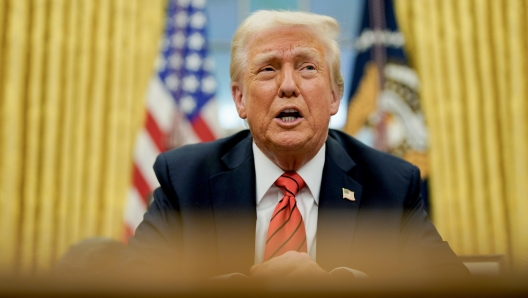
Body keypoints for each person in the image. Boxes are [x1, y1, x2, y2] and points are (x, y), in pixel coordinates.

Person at [121, 10, 469, 281]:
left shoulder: (390, 184)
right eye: (268, 69)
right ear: (240, 99)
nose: (288, 85)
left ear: (335, 96)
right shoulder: (185, 179)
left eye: (306, 67)